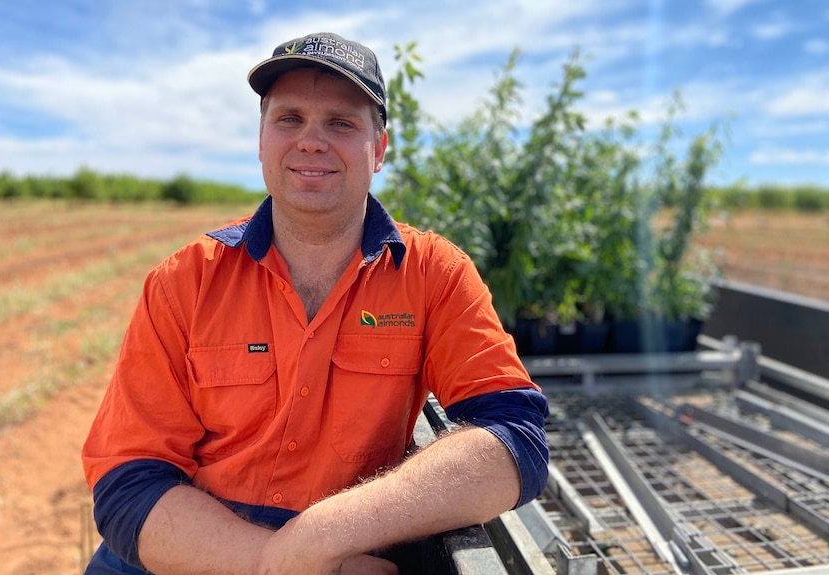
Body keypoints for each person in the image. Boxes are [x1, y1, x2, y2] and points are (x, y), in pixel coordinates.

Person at [81, 32, 549, 575]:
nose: (311, 141)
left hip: (345, 543)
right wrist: (276, 561)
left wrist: (324, 534)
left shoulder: (434, 275)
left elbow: (515, 439)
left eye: (341, 123)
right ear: (261, 141)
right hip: (186, 548)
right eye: (289, 119)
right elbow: (128, 481)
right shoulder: (185, 280)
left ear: (379, 150)